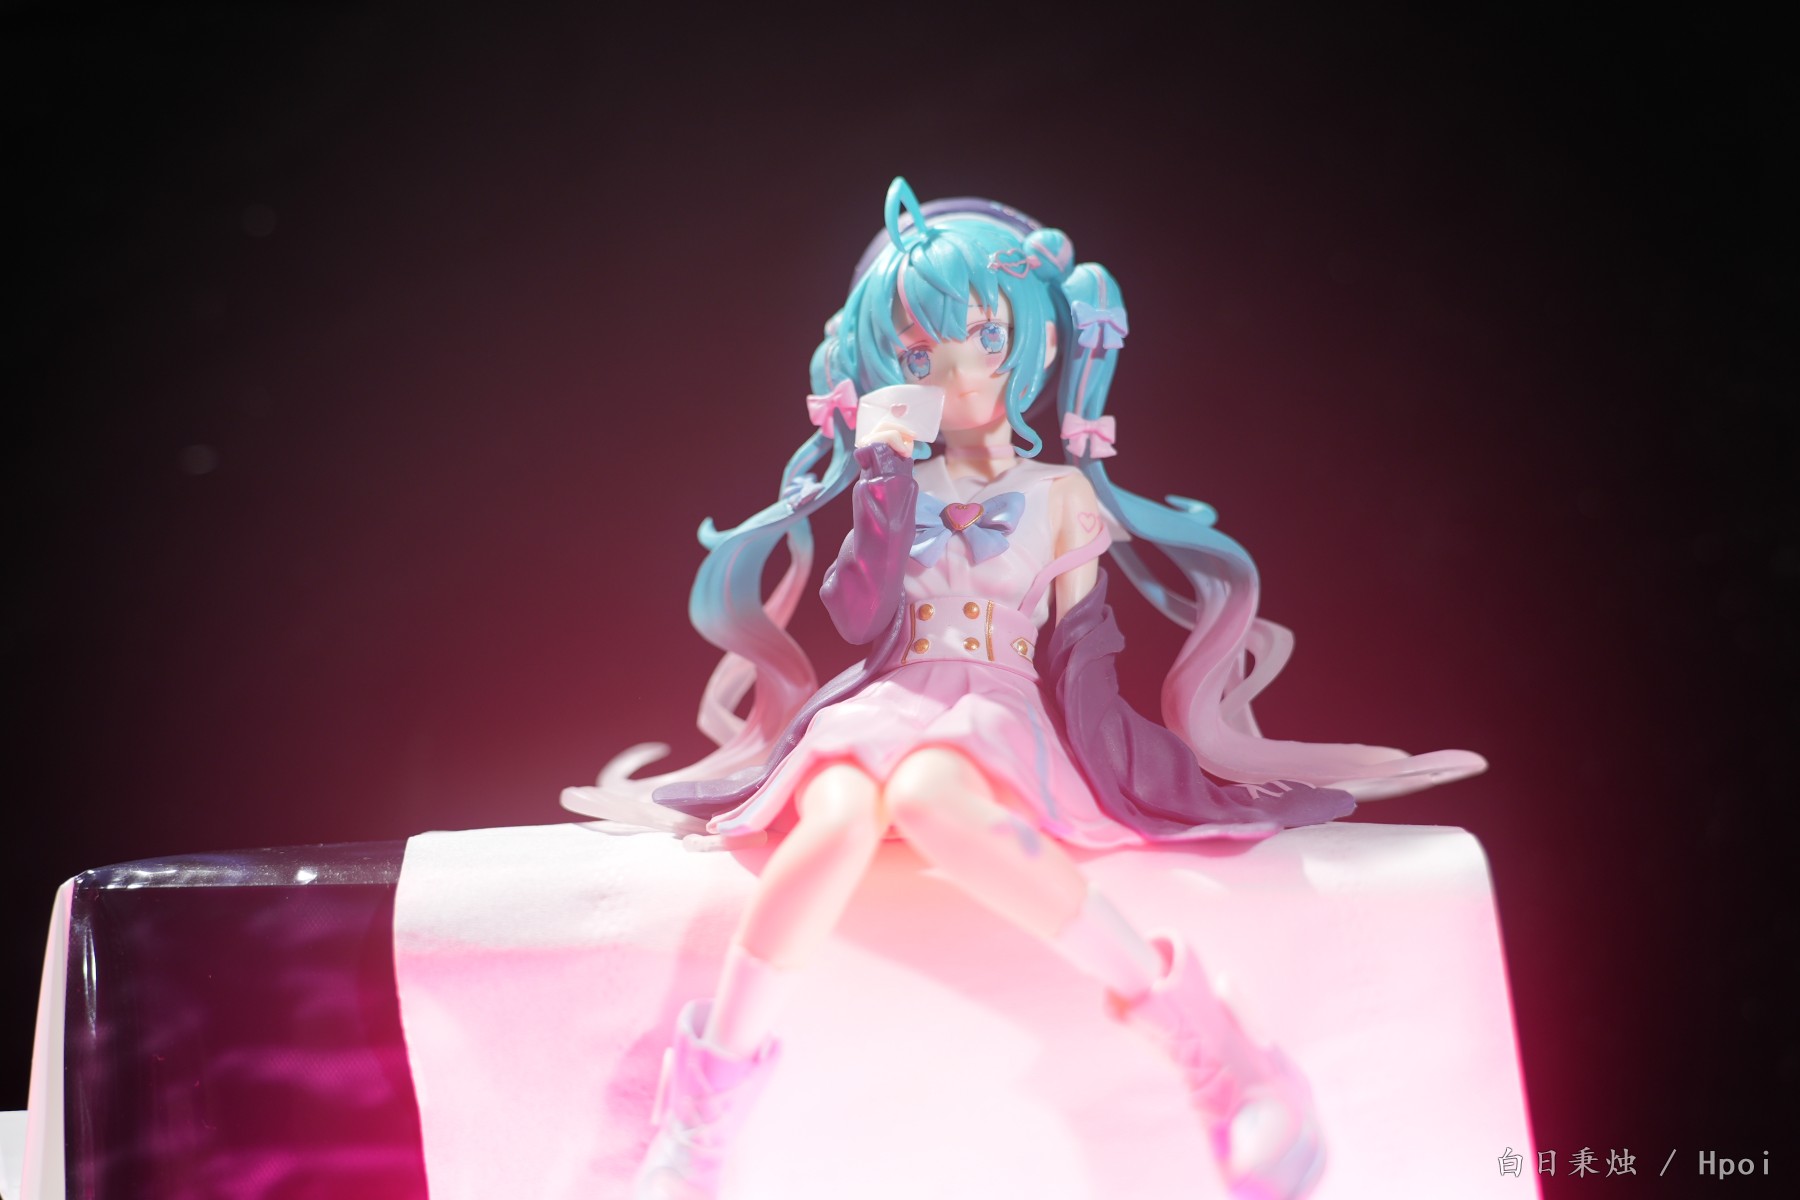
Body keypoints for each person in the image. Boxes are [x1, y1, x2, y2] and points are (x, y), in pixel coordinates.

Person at [564, 178, 1485, 1199]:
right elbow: (859, 618)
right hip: (883, 697)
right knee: (837, 817)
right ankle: (696, 1119)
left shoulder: (1060, 495)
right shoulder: (896, 483)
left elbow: (1082, 651)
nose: (959, 372)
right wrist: (881, 481)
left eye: (984, 337)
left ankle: (1213, 1048)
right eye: (922, 354)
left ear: (1033, 341)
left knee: (929, 793)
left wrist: (1128, 773)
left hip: (993, 705)